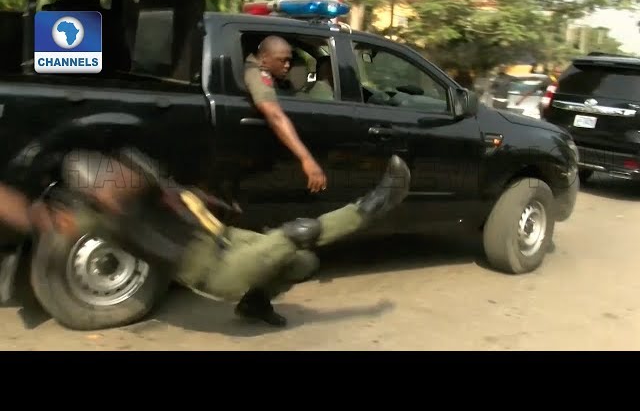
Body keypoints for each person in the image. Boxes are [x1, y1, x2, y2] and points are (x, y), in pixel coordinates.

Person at [39, 150, 411, 327]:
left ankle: (254, 304)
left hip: (223, 237)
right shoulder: (105, 219)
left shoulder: (143, 182)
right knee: (300, 233)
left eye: (118, 176)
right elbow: (56, 228)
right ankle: (372, 206)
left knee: (304, 263)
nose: (120, 183)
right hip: (215, 270)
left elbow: (166, 184)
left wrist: (206, 199)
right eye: (107, 187)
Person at [244, 35, 328, 194]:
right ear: (264, 59)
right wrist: (307, 159)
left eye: (289, 60)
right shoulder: (257, 74)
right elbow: (274, 114)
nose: (287, 66)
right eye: (282, 60)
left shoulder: (263, 70)